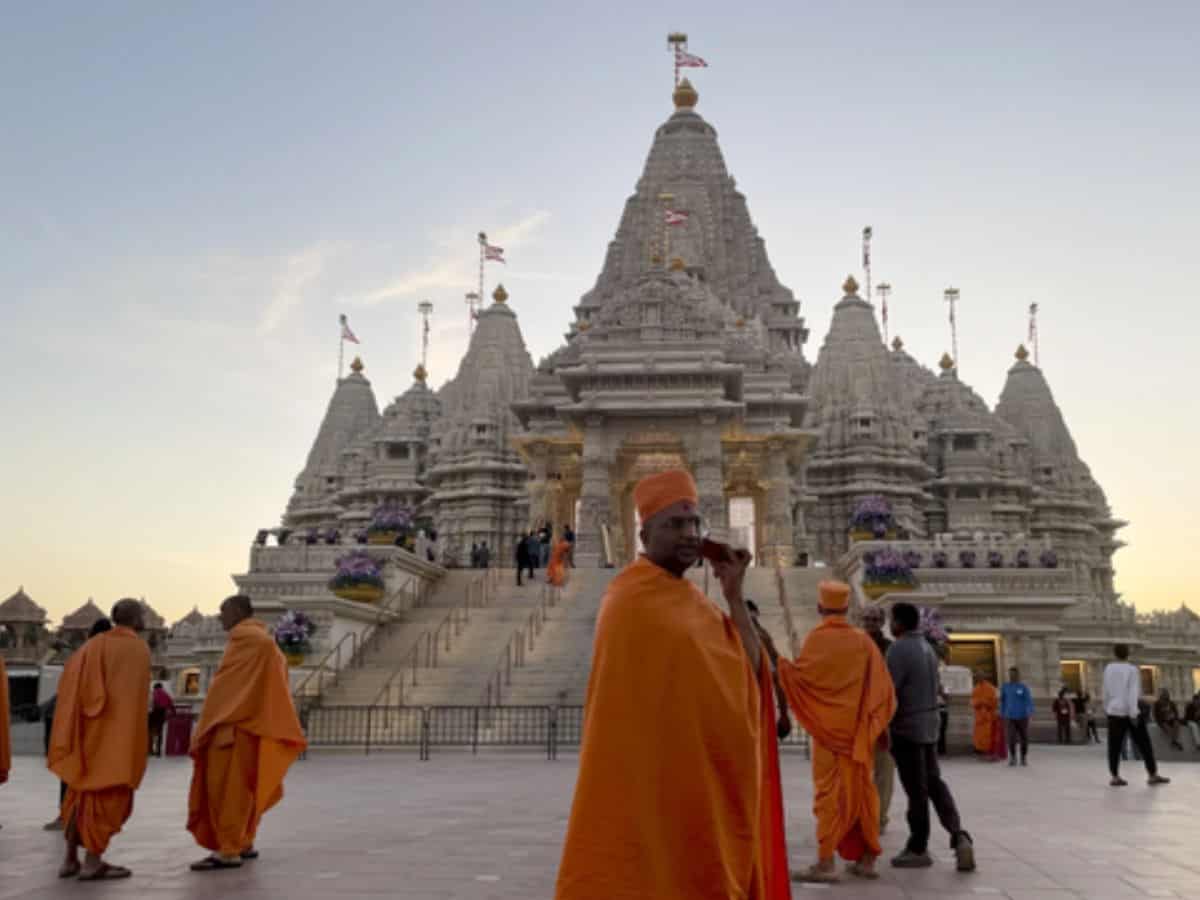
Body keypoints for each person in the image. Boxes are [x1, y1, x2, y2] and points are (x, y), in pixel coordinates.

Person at [555, 469, 787, 899]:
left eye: (695, 524)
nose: (690, 534)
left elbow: (752, 673)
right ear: (644, 535)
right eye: (675, 524)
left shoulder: (698, 604)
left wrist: (734, 595)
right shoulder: (628, 600)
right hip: (650, 786)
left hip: (703, 788)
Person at [775, 581, 896, 884]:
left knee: (828, 796)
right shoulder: (864, 642)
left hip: (828, 735)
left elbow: (803, 680)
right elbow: (883, 692)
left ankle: (826, 861)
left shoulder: (817, 640)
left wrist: (781, 668)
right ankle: (867, 860)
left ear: (819, 608)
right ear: (848, 609)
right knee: (865, 793)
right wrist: (873, 727)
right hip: (857, 736)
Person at [187, 594, 307, 870]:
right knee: (243, 790)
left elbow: (229, 689)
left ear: (239, 611)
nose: (220, 617)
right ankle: (243, 840)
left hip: (233, 727)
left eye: (223, 610)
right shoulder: (261, 641)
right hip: (248, 725)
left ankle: (228, 849)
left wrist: (213, 719)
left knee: (226, 791)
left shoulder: (250, 640)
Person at [48, 599, 151, 881]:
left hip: (87, 735)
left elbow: (72, 688)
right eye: (141, 614)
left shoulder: (91, 646)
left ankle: (70, 859)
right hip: (115, 740)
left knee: (80, 794)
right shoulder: (137, 649)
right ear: (135, 618)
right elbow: (134, 701)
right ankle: (92, 862)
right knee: (106, 795)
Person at [886, 602, 974, 872]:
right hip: (930, 724)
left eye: (891, 620)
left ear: (899, 623)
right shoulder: (928, 648)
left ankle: (918, 846)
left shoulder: (899, 649)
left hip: (907, 727)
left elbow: (889, 692)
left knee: (916, 790)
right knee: (934, 783)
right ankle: (958, 834)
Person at [1103, 643, 1169, 787]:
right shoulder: (1132, 670)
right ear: (1128, 654)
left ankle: (1115, 776)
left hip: (1114, 711)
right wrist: (1133, 712)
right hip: (1129, 711)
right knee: (1144, 744)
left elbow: (1106, 690)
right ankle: (1152, 774)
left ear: (1114, 654)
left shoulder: (1108, 668)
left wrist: (1107, 708)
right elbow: (1133, 692)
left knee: (1114, 745)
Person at [858, 604, 896, 833]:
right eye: (867, 619)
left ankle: (879, 817)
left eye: (874, 619)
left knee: (884, 772)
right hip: (858, 717)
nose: (870, 623)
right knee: (859, 771)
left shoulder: (891, 649)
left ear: (882, 622)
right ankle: (859, 814)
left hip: (884, 718)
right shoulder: (854, 645)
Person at [746, 600, 793, 742]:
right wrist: (784, 714)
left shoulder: (762, 637)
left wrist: (784, 714)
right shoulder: (759, 636)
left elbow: (777, 675)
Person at [999, 667, 1034, 766]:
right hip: (1010, 716)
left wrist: (1030, 711)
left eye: (1013, 674)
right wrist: (1002, 713)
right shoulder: (1005, 687)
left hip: (1022, 716)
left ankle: (1023, 757)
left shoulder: (1023, 687)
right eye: (1010, 674)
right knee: (1011, 738)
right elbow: (1002, 701)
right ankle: (1013, 757)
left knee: (1024, 738)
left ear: (1017, 675)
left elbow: (1028, 700)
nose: (1011, 676)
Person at [970, 673, 1000, 759]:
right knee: (979, 734)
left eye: (980, 677)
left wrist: (985, 703)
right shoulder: (975, 689)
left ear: (984, 677)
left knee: (988, 734)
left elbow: (994, 701)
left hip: (988, 715)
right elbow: (973, 701)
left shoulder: (991, 688)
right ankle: (980, 750)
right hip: (979, 715)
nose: (978, 678)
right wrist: (979, 702)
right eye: (977, 677)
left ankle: (989, 752)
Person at [148, 682, 176, 757]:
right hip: (161, 714)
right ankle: (158, 751)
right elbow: (171, 704)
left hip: (152, 714)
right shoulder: (165, 694)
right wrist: (174, 713)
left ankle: (150, 750)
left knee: (150, 732)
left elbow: (151, 703)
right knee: (159, 732)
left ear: (155, 687)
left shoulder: (153, 693)